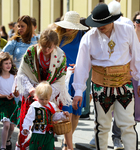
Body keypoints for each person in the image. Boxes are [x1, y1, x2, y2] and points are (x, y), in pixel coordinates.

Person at [72, 1, 140, 150]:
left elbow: (137, 56)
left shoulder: (127, 30)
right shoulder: (88, 37)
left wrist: (139, 78)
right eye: (97, 24)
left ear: (112, 20)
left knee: (128, 125)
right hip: (100, 86)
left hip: (124, 84)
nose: (100, 27)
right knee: (101, 126)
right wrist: (78, 91)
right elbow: (82, 66)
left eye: (104, 23)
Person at [54, 11, 89, 150]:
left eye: (72, 26)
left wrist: (80, 65)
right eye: (67, 25)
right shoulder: (57, 36)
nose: (69, 28)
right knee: (66, 111)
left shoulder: (84, 36)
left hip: (79, 77)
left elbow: (89, 57)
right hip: (63, 77)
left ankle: (68, 141)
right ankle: (67, 143)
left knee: (77, 112)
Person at [22, 81, 70, 150]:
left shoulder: (51, 106)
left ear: (50, 96)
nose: (44, 101)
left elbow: (54, 116)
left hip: (49, 134)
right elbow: (28, 118)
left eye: (46, 99)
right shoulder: (34, 106)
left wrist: (63, 115)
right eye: (41, 99)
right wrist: (26, 127)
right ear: (37, 96)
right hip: (38, 133)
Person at [0, 52, 19, 150]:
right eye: (6, 63)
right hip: (2, 103)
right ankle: (3, 146)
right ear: (1, 65)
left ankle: (8, 139)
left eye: (9, 63)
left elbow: (17, 92)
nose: (8, 65)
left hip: (12, 103)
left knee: (12, 127)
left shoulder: (14, 76)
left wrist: (16, 93)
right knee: (6, 125)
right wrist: (5, 96)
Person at [132, 11, 140, 122]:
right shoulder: (128, 37)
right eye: (138, 21)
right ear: (134, 22)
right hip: (129, 75)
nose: (139, 23)